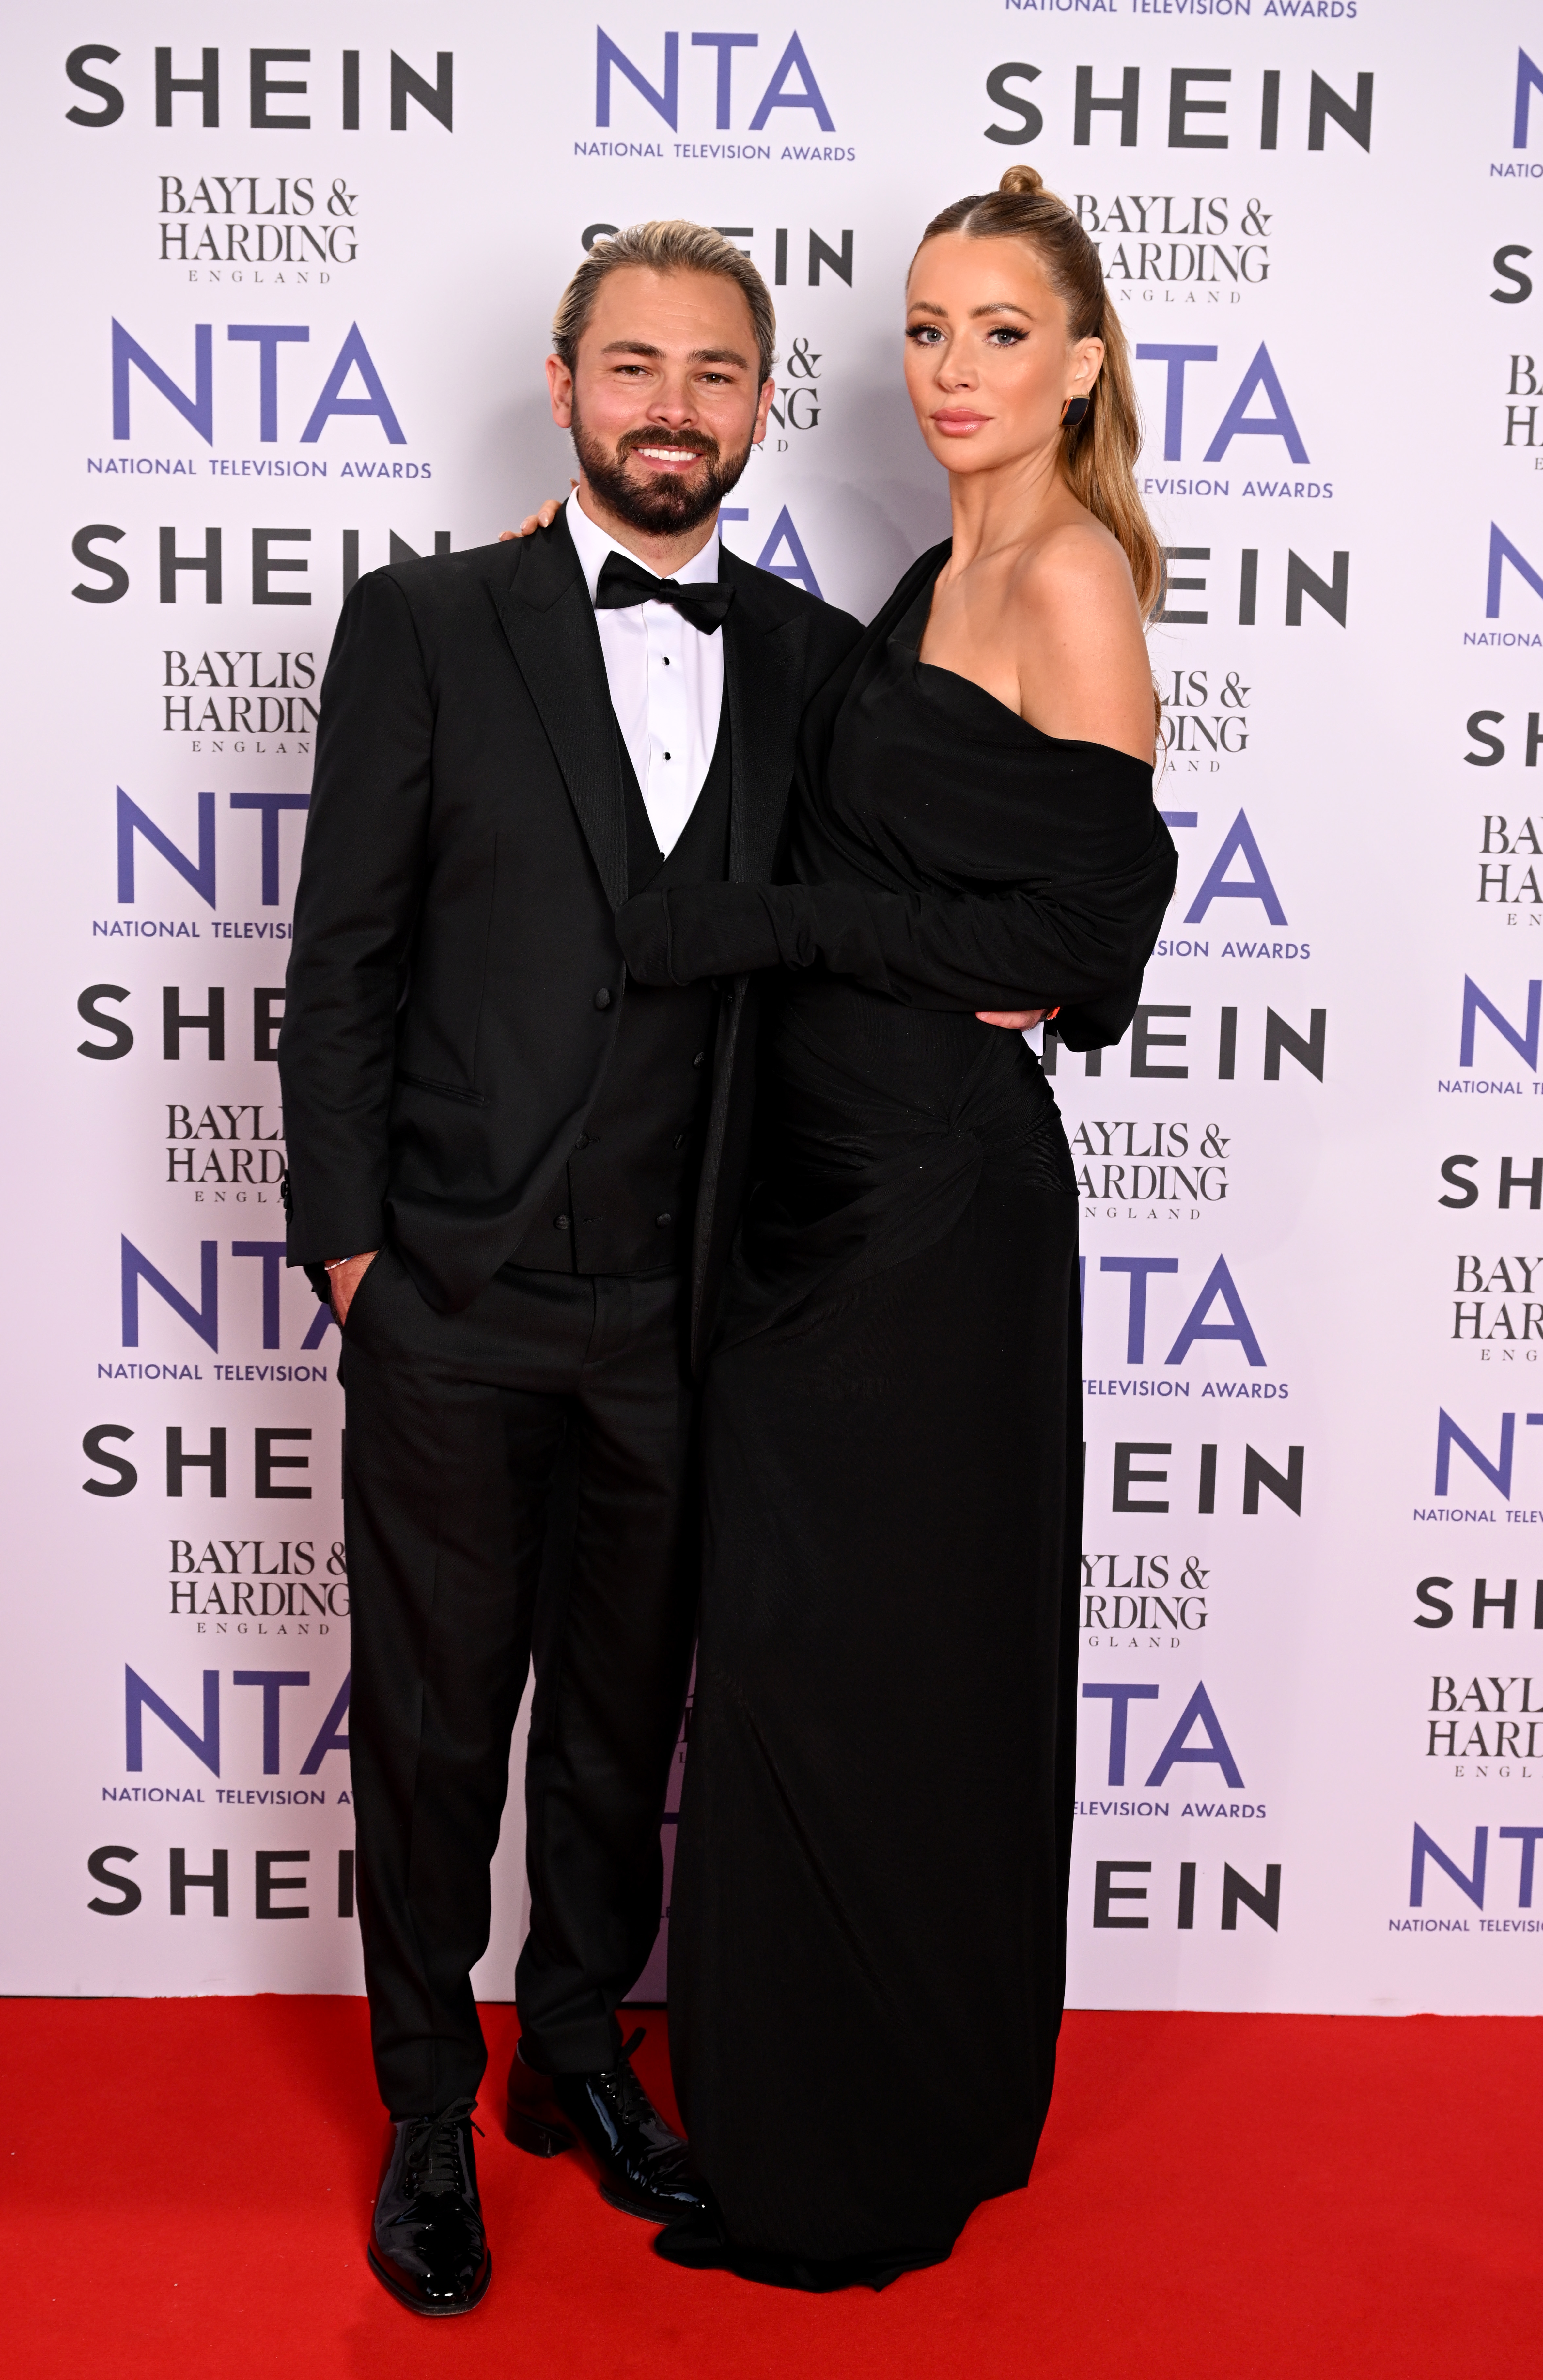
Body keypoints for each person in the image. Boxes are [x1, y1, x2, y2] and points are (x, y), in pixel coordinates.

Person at [278, 221, 861, 2317]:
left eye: (715, 371)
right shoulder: (426, 626)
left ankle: (577, 2058)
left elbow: (898, 916)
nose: (674, 407)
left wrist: (1038, 981)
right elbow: (338, 957)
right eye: (636, 366)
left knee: (623, 1724)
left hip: (690, 1311)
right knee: (439, 1731)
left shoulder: (814, 664)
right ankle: (431, 2111)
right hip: (448, 1292)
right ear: (564, 378)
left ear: (763, 403)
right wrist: (353, 1249)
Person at [611, 167, 1179, 2288]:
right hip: (810, 1181)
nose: (954, 369)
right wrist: (581, 568)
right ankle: (795, 2090)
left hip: (935, 1213)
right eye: (928, 330)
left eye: (1003, 332)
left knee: (893, 1674)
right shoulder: (940, 569)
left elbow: (1070, 929)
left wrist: (764, 921)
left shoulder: (1074, 588)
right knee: (779, 1657)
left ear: (1085, 364)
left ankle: (868, 2146)